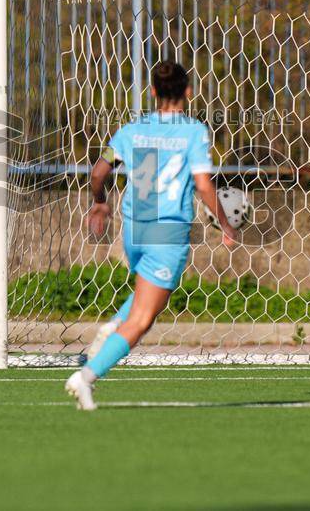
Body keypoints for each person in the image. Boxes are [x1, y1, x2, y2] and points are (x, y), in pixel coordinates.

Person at [65, 60, 237, 410]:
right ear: (188, 92)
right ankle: (87, 375)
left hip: (134, 228)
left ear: (154, 92)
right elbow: (204, 184)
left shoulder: (133, 129)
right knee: (143, 320)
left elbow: (99, 174)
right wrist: (224, 222)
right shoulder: (193, 131)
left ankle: (111, 328)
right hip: (167, 230)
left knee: (147, 297)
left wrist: (100, 204)